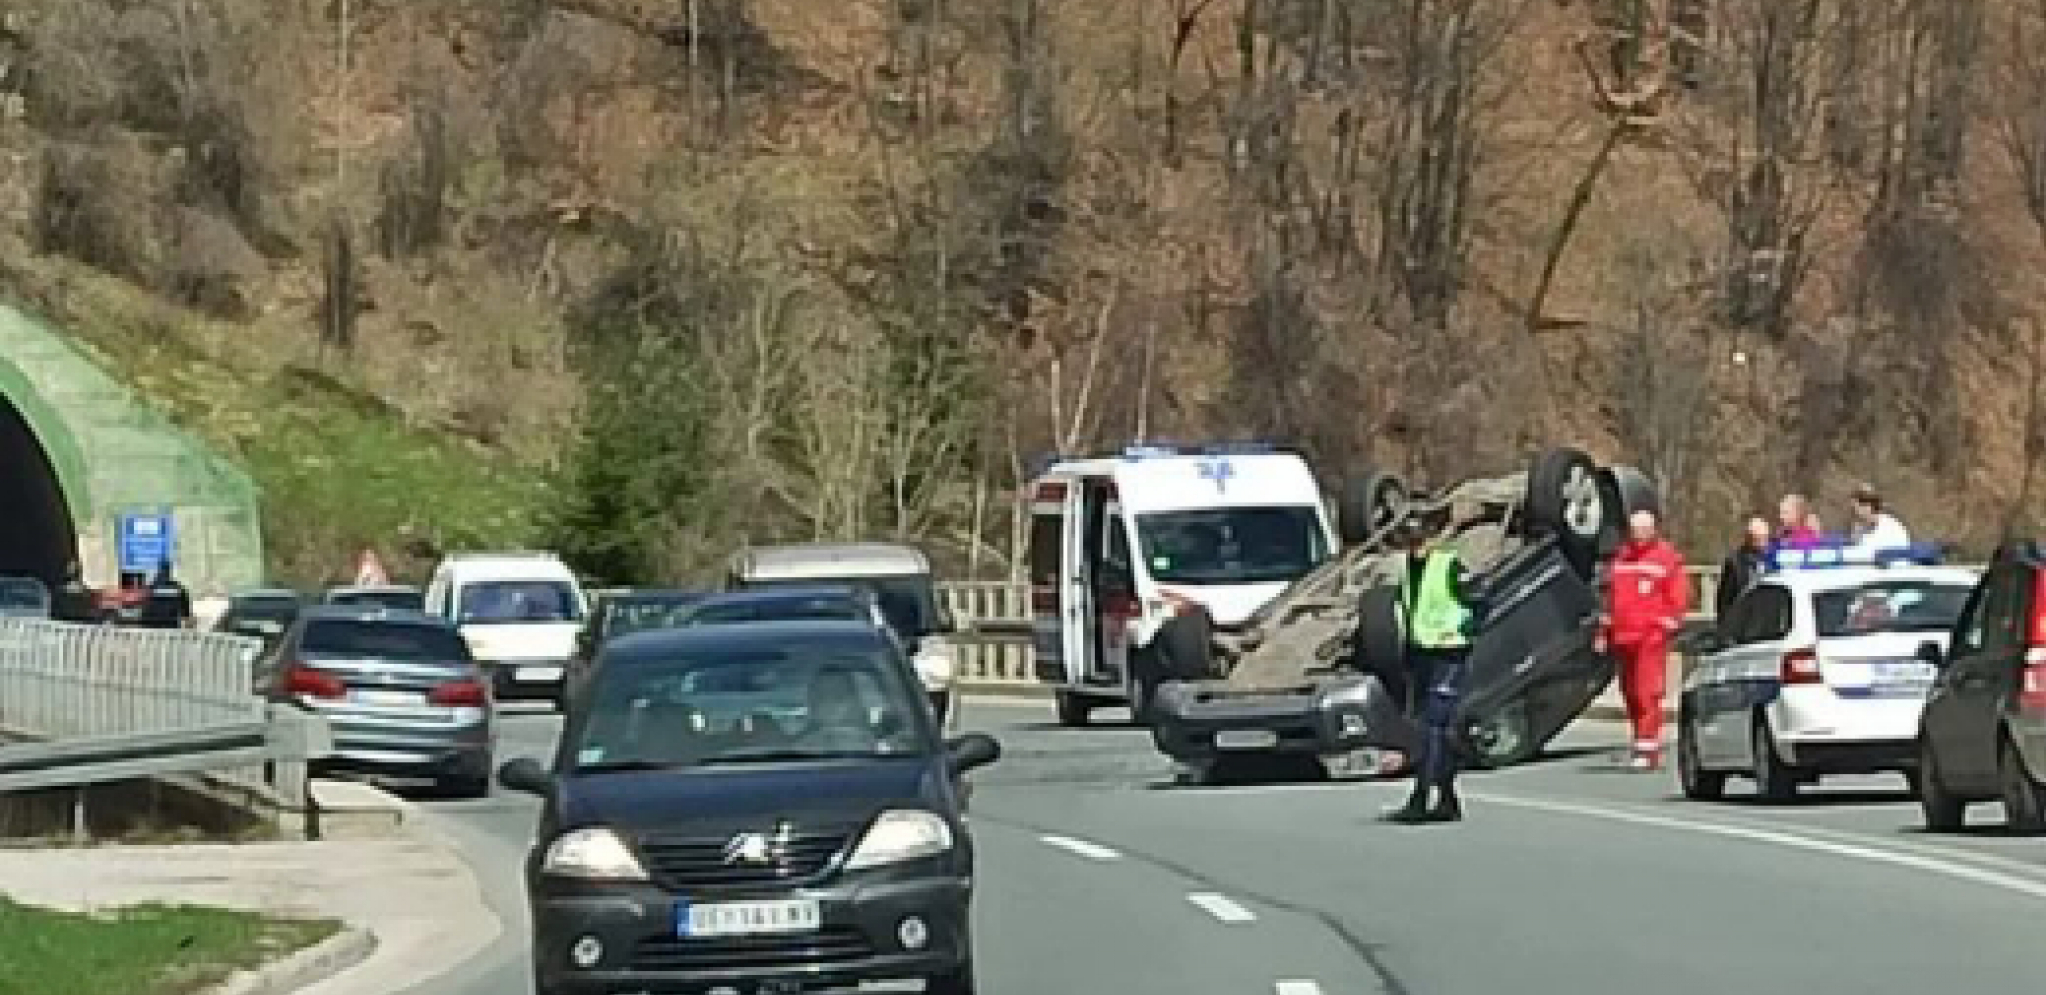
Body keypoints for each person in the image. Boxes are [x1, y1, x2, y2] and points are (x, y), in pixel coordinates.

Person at [1383, 511, 1486, 825]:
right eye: (1410, 541)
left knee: (1434, 727)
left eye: (1420, 540)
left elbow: (1479, 600)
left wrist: (1465, 632)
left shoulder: (1449, 566)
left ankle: (1421, 797)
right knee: (1433, 729)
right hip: (1421, 653)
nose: (1416, 547)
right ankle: (1447, 799)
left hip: (1448, 652)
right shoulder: (1407, 570)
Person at [1598, 509, 1690, 770]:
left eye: (1642, 531)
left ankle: (1649, 747)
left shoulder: (1665, 558)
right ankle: (1640, 741)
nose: (1638, 536)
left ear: (1652, 530)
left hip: (1650, 637)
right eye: (1634, 531)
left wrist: (1665, 626)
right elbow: (1611, 599)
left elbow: (1678, 597)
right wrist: (1604, 632)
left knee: (1647, 692)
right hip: (1624, 636)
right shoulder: (1622, 558)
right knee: (1630, 692)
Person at [1715, 516, 1770, 619]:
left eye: (1765, 538)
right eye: (1758, 538)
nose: (1763, 542)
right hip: (1742, 619)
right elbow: (1725, 600)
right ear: (1749, 538)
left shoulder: (1770, 560)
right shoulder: (1735, 563)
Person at [1845, 483, 1910, 557]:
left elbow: (1864, 554)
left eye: (1855, 509)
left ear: (1867, 507)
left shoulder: (1888, 528)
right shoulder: (1878, 525)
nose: (1854, 514)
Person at [136, 561, 194, 630]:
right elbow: (187, 616)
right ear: (170, 571)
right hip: (171, 631)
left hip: (150, 632)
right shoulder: (179, 589)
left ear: (157, 571)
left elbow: (140, 616)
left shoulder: (147, 590)